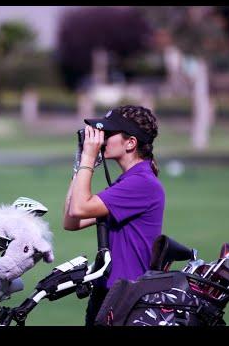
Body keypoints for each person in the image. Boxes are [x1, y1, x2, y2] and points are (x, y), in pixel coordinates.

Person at [62, 104, 165, 326]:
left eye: (109, 133)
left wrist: (88, 160)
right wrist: (80, 165)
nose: (101, 139)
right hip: (109, 293)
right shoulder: (128, 181)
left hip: (126, 299)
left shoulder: (142, 183)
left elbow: (79, 209)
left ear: (131, 143)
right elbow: (71, 220)